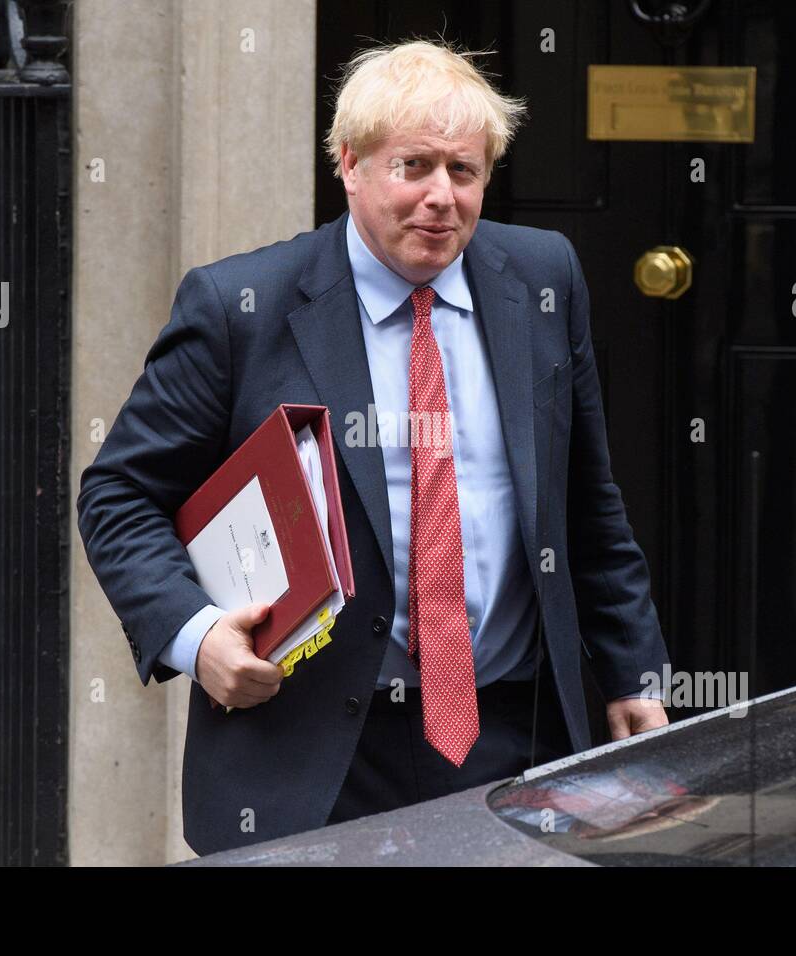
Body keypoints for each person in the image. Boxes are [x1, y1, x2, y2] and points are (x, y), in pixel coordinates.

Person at [76, 38, 670, 858]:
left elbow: (586, 500)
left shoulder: (541, 279)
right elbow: (118, 496)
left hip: (514, 734)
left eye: (463, 172)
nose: (440, 198)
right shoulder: (239, 308)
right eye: (412, 167)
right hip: (314, 756)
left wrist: (634, 674)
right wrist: (196, 632)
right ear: (348, 163)